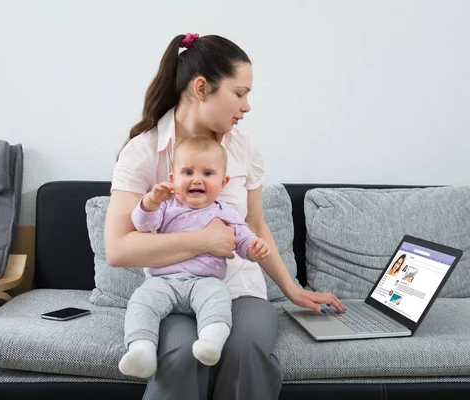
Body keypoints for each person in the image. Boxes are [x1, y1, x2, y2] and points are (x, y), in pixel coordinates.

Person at [104, 32, 344, 400]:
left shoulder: (244, 147)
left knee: (245, 349)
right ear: (202, 89)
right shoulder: (143, 152)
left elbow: (257, 225)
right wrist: (203, 241)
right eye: (240, 92)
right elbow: (118, 249)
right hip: (174, 292)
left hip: (241, 290)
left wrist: (293, 289)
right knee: (181, 353)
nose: (246, 106)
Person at [119, 137, 270, 379]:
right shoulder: (167, 207)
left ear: (223, 182)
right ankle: (141, 349)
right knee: (141, 302)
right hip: (163, 281)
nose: (197, 179)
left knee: (218, 298)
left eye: (208, 173)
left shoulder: (225, 211)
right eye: (187, 172)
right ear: (173, 179)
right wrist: (150, 201)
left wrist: (254, 249)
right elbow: (143, 225)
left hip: (205, 281)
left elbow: (242, 241)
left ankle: (211, 340)